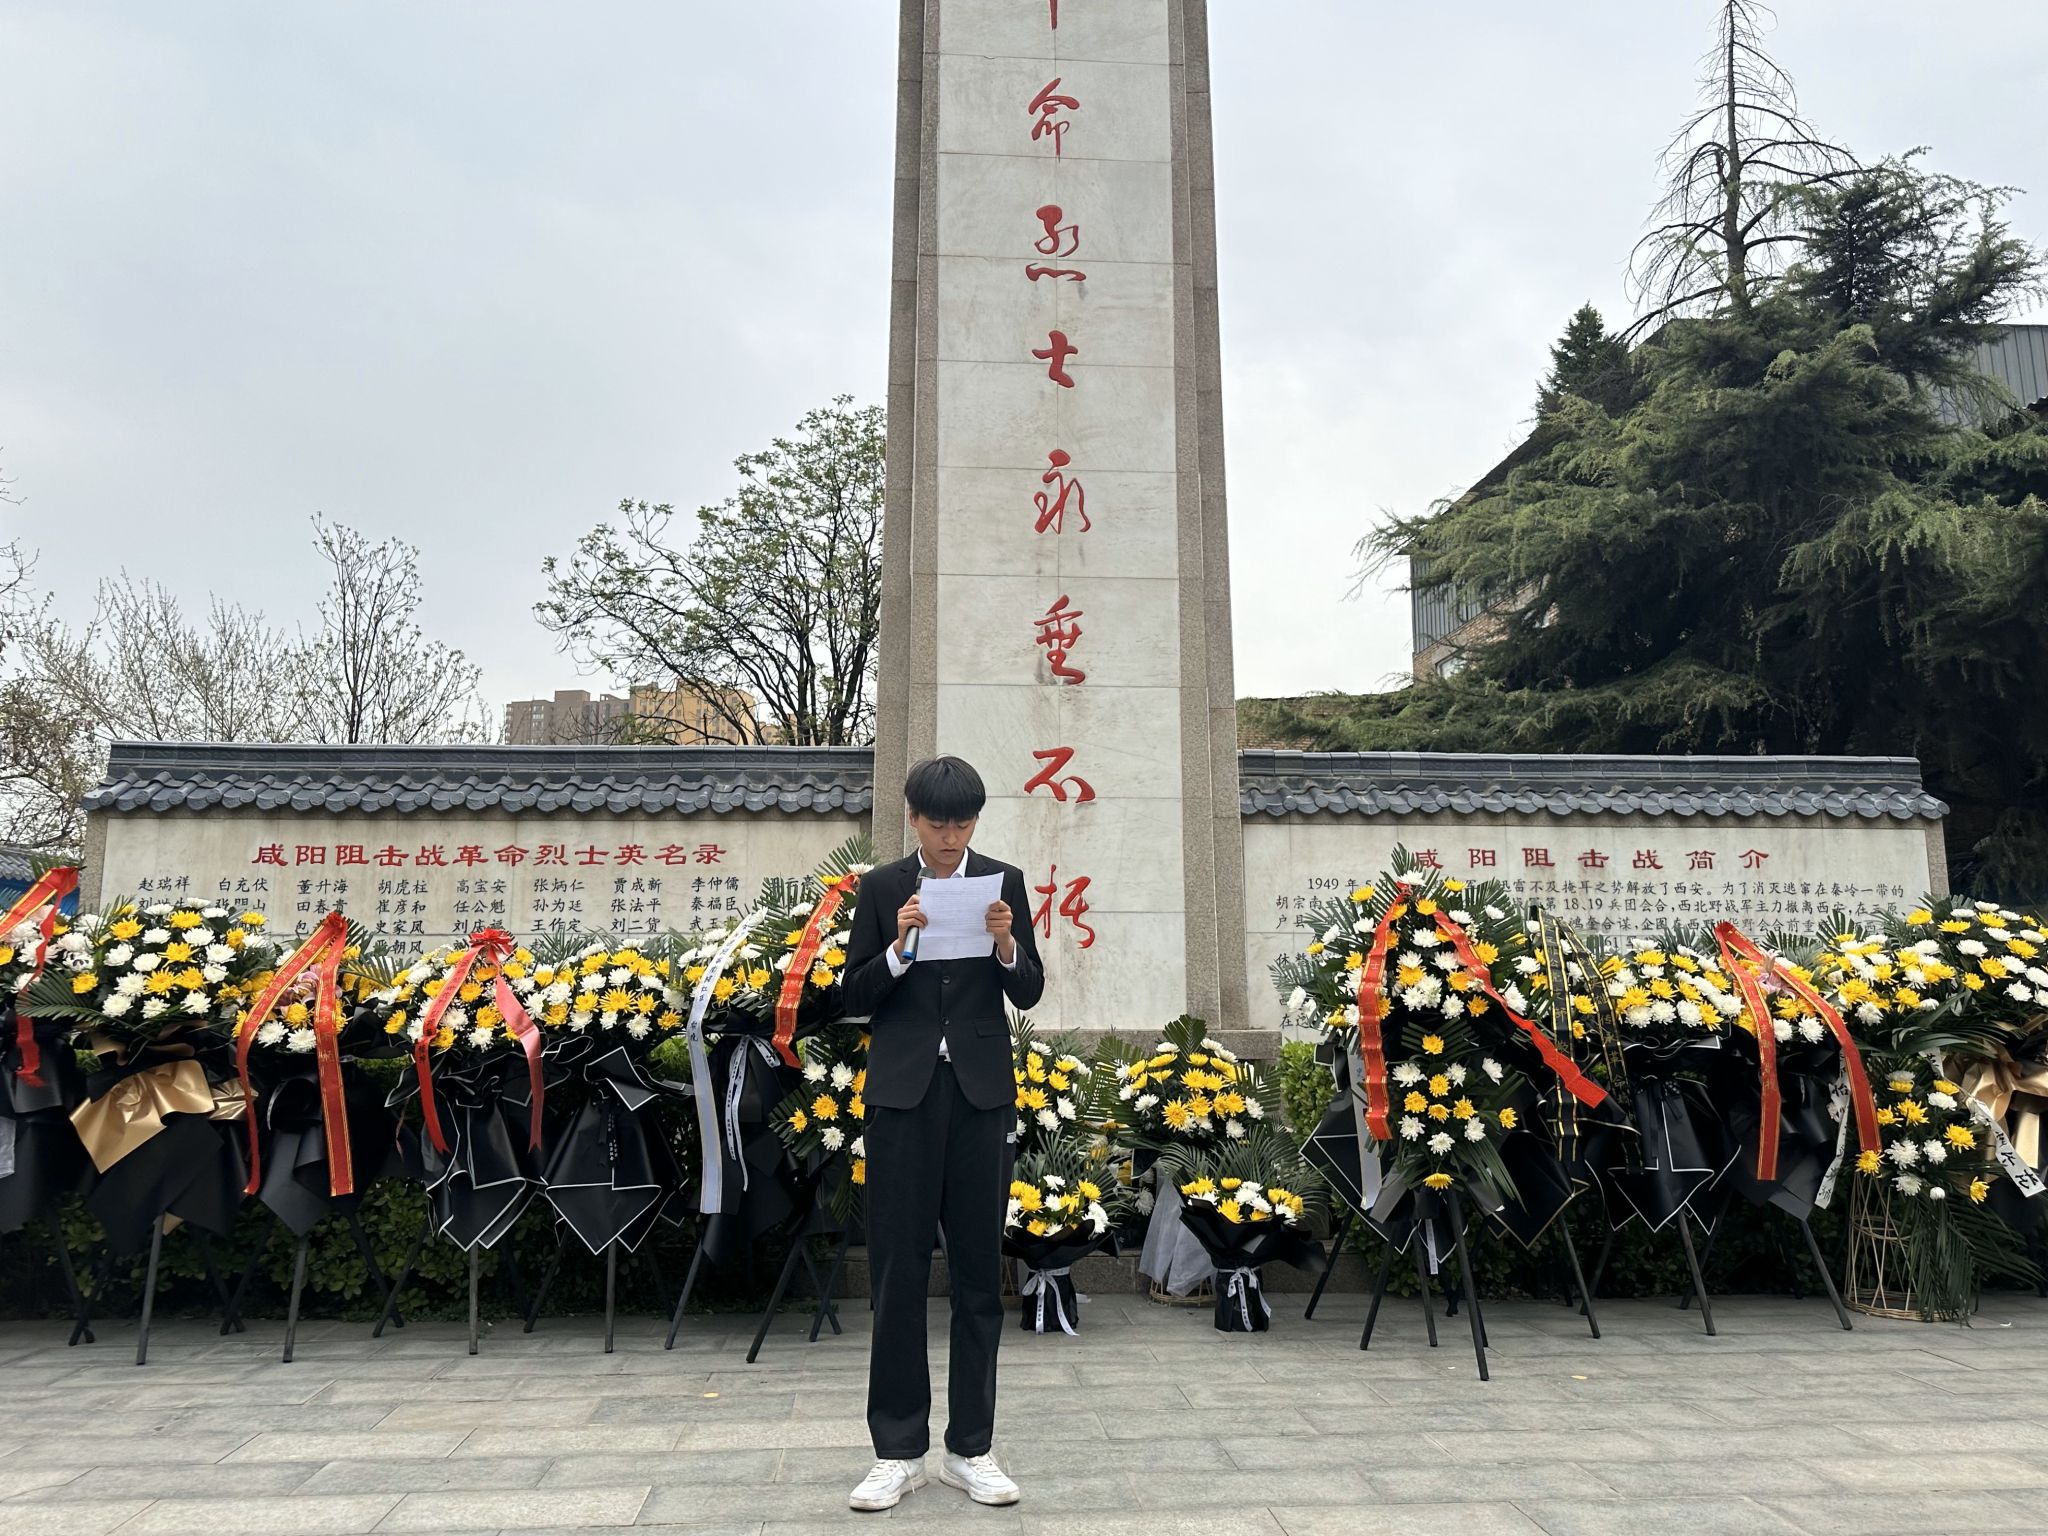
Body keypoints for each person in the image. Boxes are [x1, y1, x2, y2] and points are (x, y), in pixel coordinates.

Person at [842, 756, 1044, 1512]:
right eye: (938, 823)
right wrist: (898, 949)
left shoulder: (1003, 882)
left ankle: (971, 1449)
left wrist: (1006, 945)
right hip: (903, 1095)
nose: (951, 837)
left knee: (977, 1273)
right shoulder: (882, 888)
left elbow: (1029, 988)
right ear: (913, 819)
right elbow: (853, 995)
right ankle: (897, 1451)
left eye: (962, 824)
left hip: (980, 1094)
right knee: (897, 1271)